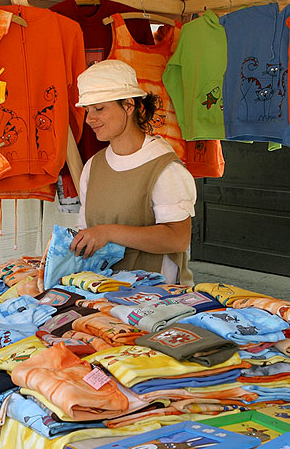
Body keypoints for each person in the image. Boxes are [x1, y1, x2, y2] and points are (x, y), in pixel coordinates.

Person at [69, 59, 196, 286]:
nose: (90, 119)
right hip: (103, 292)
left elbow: (178, 239)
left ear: (128, 105)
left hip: (154, 298)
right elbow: (88, 231)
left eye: (99, 108)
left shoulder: (164, 167)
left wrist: (108, 232)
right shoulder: (93, 166)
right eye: (87, 111)